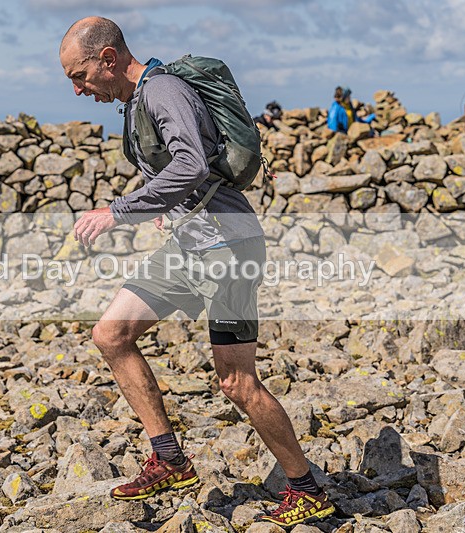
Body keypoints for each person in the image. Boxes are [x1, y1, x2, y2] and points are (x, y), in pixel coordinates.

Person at [59, 16, 335, 527]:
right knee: (112, 334)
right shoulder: (137, 100)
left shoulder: (162, 90)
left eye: (79, 75)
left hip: (230, 247)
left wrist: (116, 211)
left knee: (236, 382)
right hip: (188, 245)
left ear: (108, 59)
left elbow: (189, 166)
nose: (78, 90)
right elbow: (182, 174)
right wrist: (163, 205)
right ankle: (169, 458)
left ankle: (306, 489)